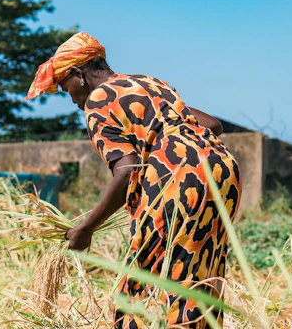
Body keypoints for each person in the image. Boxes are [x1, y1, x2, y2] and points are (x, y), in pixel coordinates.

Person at [26, 31, 242, 329]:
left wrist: (86, 228)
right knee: (198, 275)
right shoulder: (149, 83)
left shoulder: (97, 101)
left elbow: (127, 171)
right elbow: (212, 125)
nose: (73, 98)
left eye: (67, 87)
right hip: (222, 170)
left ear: (80, 74)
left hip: (178, 180)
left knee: (139, 288)